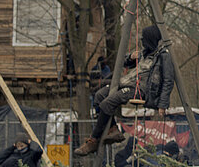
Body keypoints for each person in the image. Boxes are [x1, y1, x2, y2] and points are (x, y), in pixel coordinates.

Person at [75, 25, 175, 156]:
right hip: (126, 83)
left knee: (107, 104)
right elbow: (122, 63)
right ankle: (113, 129)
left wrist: (162, 104)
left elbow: (168, 80)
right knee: (99, 96)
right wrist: (130, 58)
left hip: (139, 89)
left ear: (150, 39)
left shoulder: (163, 56)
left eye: (144, 38)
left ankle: (93, 140)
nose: (142, 41)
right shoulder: (143, 54)